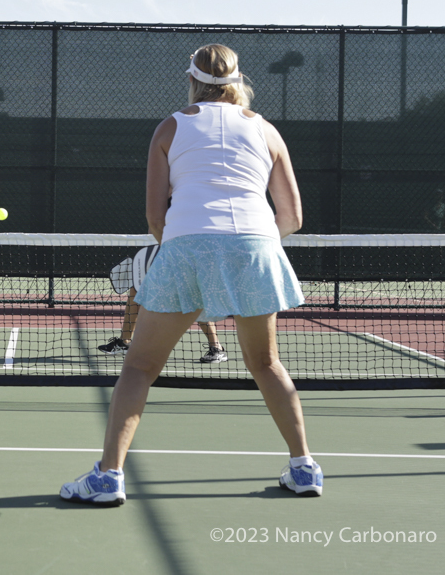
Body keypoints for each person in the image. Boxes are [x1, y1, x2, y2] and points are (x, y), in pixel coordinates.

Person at [61, 44, 321, 504]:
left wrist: (191, 249)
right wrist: (247, 247)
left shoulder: (170, 127)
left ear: (191, 80)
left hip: (187, 246)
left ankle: (107, 478)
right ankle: (304, 469)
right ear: (238, 81)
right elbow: (293, 217)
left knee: (138, 367)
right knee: (266, 364)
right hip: (256, 247)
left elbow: (155, 217)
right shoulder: (267, 130)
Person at [98, 244, 228, 363]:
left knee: (191, 294)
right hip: (160, 253)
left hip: (182, 252)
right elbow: (153, 232)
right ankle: (124, 342)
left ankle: (216, 347)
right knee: (137, 288)